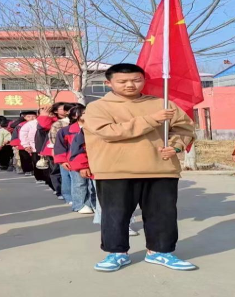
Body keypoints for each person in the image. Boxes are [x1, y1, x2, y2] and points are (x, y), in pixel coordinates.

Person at [83, 63, 196, 273]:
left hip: (160, 167)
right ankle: (117, 253)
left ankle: (160, 252)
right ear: (109, 83)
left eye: (136, 80)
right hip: (115, 169)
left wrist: (176, 145)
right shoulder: (98, 107)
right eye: (122, 81)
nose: (130, 85)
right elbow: (109, 132)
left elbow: (185, 128)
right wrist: (151, 120)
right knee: (115, 214)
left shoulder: (162, 104)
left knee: (162, 213)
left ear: (144, 80)